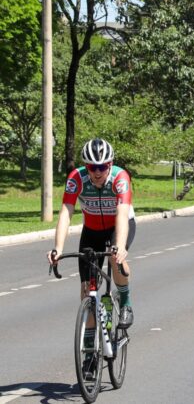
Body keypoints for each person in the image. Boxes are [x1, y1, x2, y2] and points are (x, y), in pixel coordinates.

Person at [47, 139, 136, 375]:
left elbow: (122, 212)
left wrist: (119, 245)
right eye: (92, 167)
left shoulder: (120, 178)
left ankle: (126, 302)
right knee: (87, 291)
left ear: (110, 164)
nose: (97, 172)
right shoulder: (77, 178)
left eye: (102, 166)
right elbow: (66, 212)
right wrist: (57, 247)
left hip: (119, 226)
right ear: (86, 166)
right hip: (92, 231)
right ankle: (89, 357)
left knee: (117, 260)